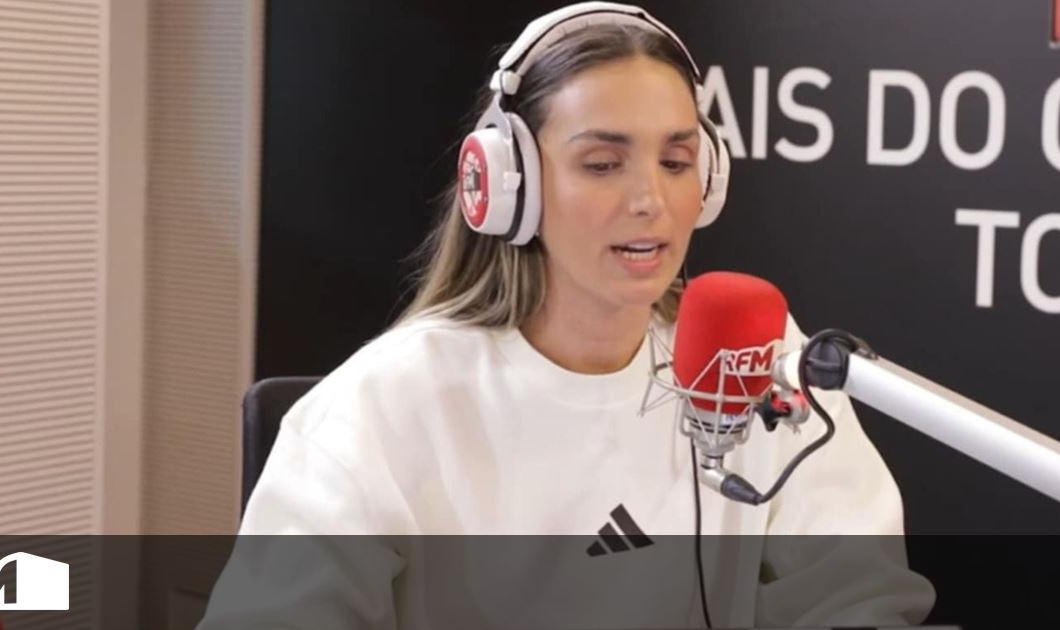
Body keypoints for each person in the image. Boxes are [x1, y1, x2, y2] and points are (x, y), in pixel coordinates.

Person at [199, 3, 935, 628]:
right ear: (508, 183)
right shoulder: (384, 407)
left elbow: (861, 594)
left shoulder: (754, 358)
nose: (650, 200)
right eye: (603, 164)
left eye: (676, 162)